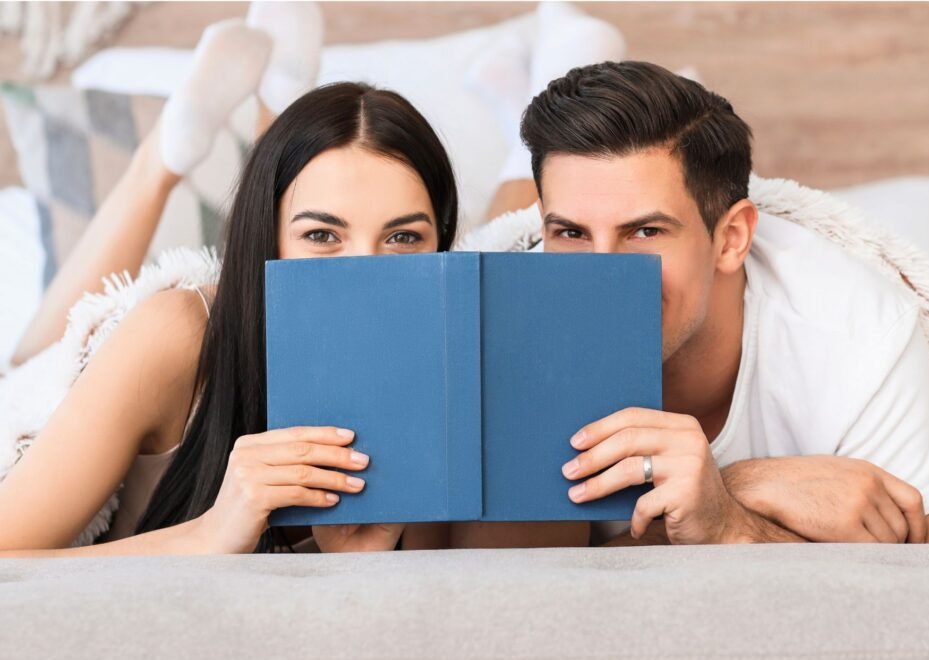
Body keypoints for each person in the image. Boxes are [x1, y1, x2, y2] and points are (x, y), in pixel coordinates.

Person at [0, 14, 587, 555]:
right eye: (323, 236)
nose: (364, 271)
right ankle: (162, 161)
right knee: (39, 351)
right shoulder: (174, 335)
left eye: (404, 239)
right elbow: (10, 559)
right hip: (55, 396)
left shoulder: (465, 367)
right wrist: (213, 531)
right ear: (269, 240)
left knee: (502, 247)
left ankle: (526, 132)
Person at [507, 60, 929, 544]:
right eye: (570, 232)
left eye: (645, 231)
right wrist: (737, 497)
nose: (599, 282)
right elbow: (518, 597)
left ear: (731, 238)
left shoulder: (857, 331)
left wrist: (725, 513)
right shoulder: (504, 332)